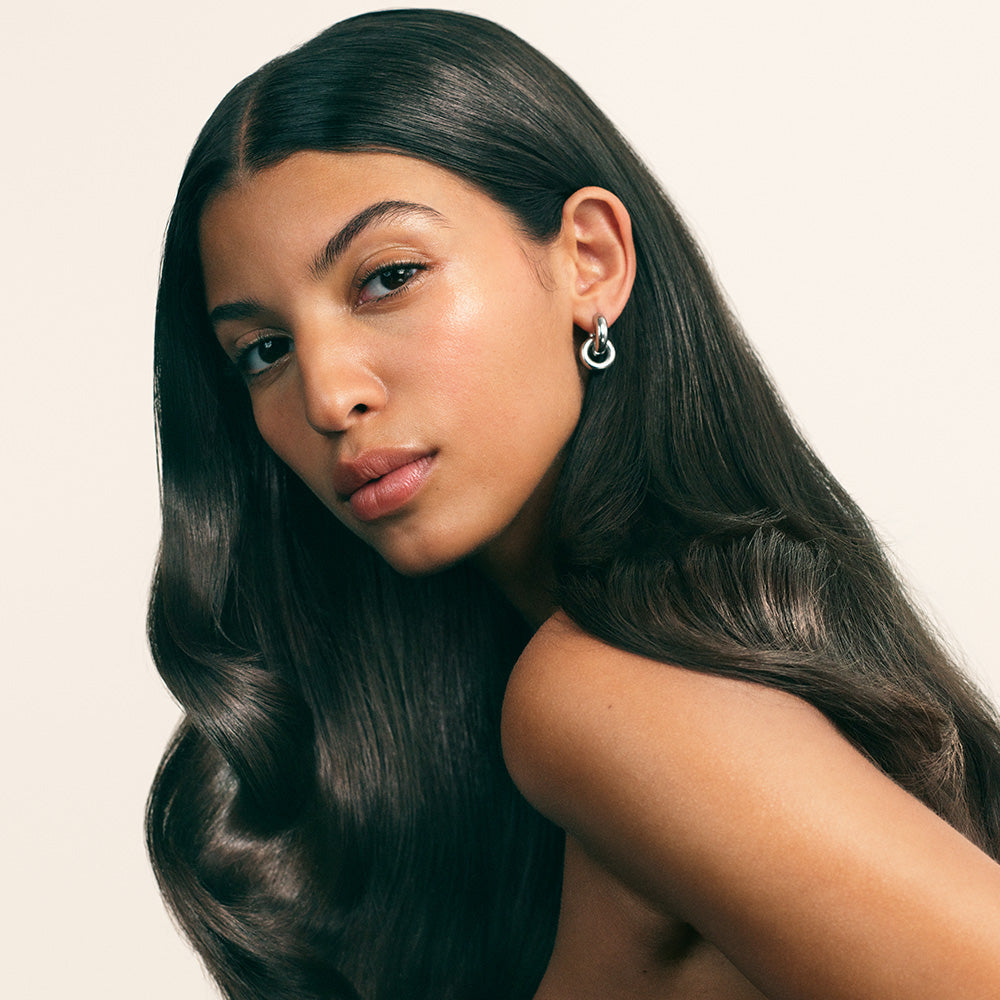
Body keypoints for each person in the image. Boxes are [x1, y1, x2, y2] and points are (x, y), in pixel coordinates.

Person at [147, 9, 1000, 1000]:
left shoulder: (614, 695)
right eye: (264, 350)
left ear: (587, 260)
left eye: (389, 277)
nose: (329, 395)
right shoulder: (620, 689)